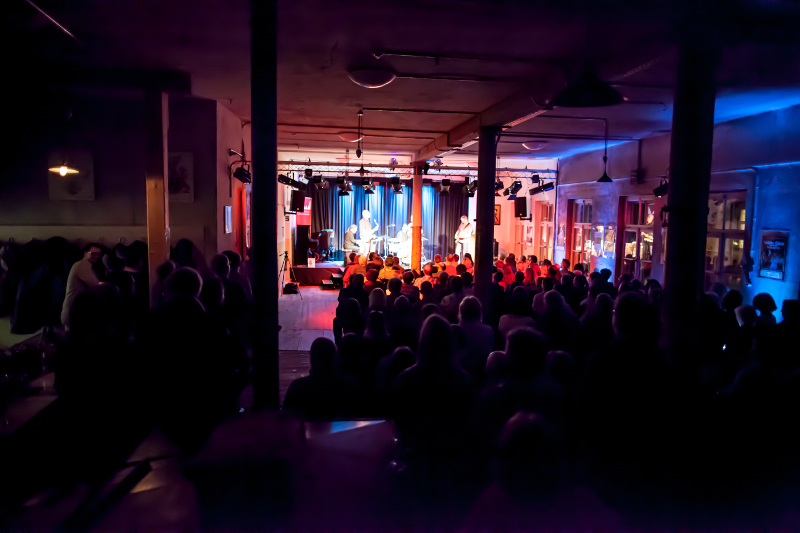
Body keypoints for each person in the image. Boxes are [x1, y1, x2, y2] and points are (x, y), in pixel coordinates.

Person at [283, 337, 359, 420]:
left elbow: (286, 419)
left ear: (312, 358)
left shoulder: (297, 387)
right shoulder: (350, 385)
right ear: (335, 357)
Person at [61, 243, 103, 328]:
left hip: (75, 312)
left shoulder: (87, 265)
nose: (96, 256)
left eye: (99, 254)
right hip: (73, 314)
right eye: (93, 254)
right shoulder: (82, 265)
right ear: (85, 253)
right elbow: (96, 286)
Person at [457, 296, 495, 384]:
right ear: (479, 311)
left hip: (460, 376)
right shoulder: (488, 330)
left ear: (461, 311)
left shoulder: (456, 330)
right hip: (482, 375)